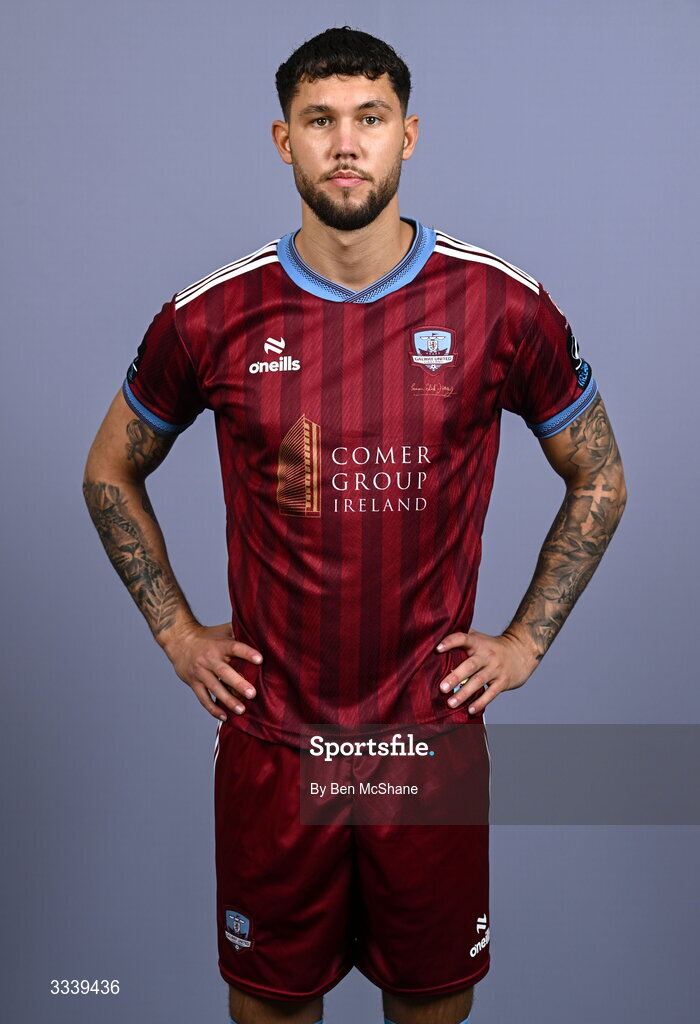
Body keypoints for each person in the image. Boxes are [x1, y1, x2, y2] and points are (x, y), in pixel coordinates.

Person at [83, 25, 627, 1024]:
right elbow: (109, 467)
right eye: (319, 120)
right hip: (275, 743)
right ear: (280, 139)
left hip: (425, 746)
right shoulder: (211, 317)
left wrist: (524, 642)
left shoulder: (501, 306)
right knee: (270, 1007)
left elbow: (599, 472)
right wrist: (175, 630)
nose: (345, 142)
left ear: (407, 136)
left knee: (429, 1005)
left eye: (368, 119)